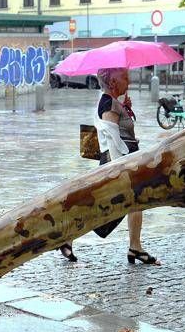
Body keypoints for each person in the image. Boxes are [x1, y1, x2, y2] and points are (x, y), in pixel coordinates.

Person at [59, 67, 161, 265]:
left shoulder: (113, 102)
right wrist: (121, 169)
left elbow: (121, 132)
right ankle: (68, 236)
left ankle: (135, 247)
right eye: (124, 77)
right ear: (113, 82)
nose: (128, 82)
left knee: (136, 202)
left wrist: (124, 108)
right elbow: (112, 137)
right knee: (106, 209)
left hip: (125, 159)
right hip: (119, 161)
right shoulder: (107, 103)